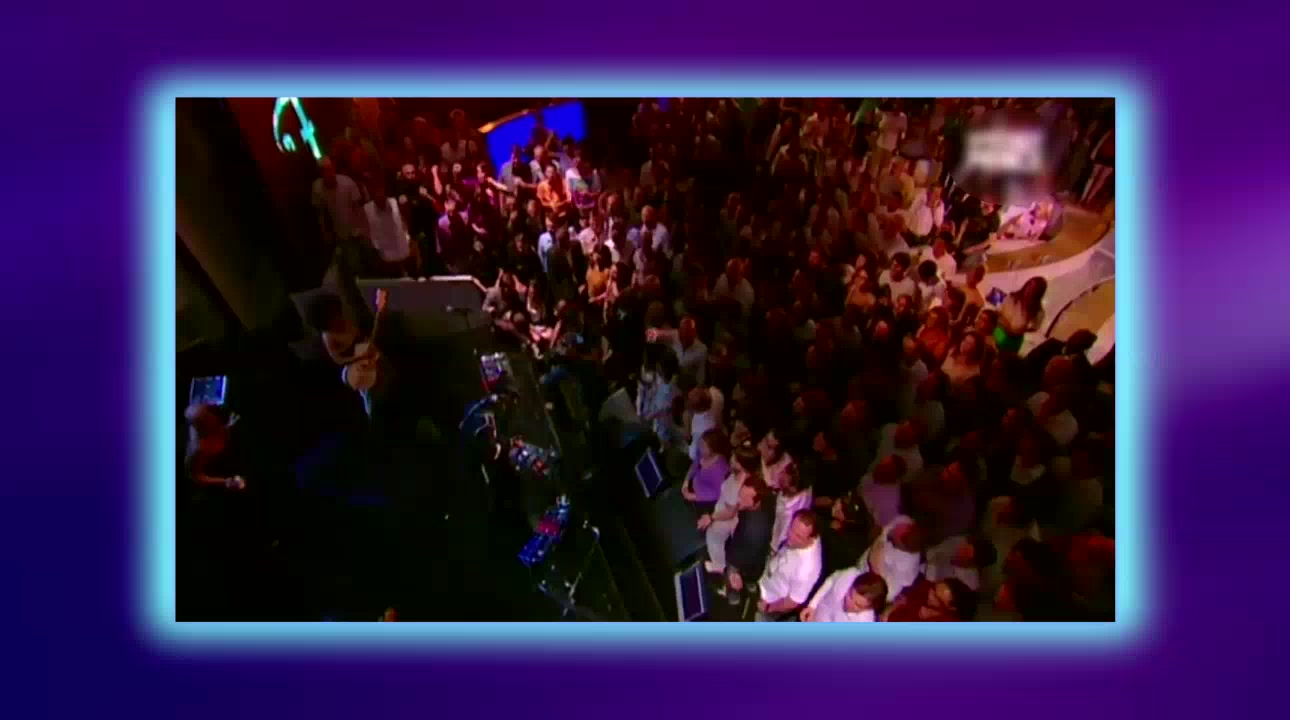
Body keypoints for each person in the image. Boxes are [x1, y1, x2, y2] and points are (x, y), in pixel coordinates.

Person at [699, 443, 761, 573]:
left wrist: (711, 518)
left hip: (726, 519)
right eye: (734, 456)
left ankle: (719, 566)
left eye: (736, 459)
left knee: (713, 537)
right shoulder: (735, 474)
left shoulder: (740, 485)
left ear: (744, 466)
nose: (731, 459)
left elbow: (730, 512)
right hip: (721, 508)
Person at [756, 509, 824, 621]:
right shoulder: (802, 537)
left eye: (798, 536)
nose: (790, 536)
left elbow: (792, 602)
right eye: (791, 529)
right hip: (767, 580)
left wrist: (769, 608)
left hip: (772, 600)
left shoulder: (806, 570)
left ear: (811, 539)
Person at [721, 476, 775, 607]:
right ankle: (750, 584)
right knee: (753, 574)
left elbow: (743, 554)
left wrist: (734, 572)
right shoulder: (766, 502)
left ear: (756, 501)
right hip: (758, 561)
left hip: (744, 557)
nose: (739, 499)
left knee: (733, 578)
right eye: (741, 494)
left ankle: (734, 597)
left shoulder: (754, 529)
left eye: (745, 498)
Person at [857, 515, 924, 602]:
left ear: (902, 545)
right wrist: (881, 536)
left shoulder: (905, 569)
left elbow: (886, 593)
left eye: (895, 533)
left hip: (865, 582)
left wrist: (879, 542)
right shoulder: (903, 522)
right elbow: (885, 530)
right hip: (861, 560)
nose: (893, 529)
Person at [362, 179, 418, 276]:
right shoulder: (367, 209)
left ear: (384, 191)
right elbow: (366, 232)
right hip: (385, 256)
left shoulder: (394, 202)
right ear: (371, 193)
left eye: (380, 191)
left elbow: (405, 221)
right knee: (391, 282)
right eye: (375, 191)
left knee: (411, 279)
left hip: (403, 250)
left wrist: (408, 237)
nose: (379, 194)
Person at [800, 569, 887, 623]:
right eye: (850, 595)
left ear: (869, 608)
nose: (849, 603)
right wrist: (812, 606)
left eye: (858, 605)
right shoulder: (848, 576)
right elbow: (831, 580)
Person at [681, 428, 732, 514]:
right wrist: (685, 483)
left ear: (713, 449)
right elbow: (694, 465)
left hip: (706, 503)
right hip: (694, 490)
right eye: (701, 443)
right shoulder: (702, 453)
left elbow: (717, 494)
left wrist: (693, 496)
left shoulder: (719, 468)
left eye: (704, 446)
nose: (700, 447)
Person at [883, 577, 975, 622]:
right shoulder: (927, 587)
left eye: (936, 597)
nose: (930, 594)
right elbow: (904, 597)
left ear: (950, 608)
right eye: (934, 588)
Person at [995, 277, 1047, 353]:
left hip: (1015, 338)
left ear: (1038, 293)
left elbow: (1035, 327)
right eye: (1029, 285)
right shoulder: (1012, 297)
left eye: (1033, 289)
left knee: (1005, 356)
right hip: (1000, 330)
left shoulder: (1038, 311)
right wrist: (1005, 324)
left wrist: (1023, 329)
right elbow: (999, 311)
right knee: (993, 349)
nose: (1029, 290)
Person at [770, 462, 814, 552]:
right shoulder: (787, 491)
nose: (780, 476)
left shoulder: (791, 513)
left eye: (784, 478)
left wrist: (774, 550)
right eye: (783, 472)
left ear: (794, 488)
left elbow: (782, 539)